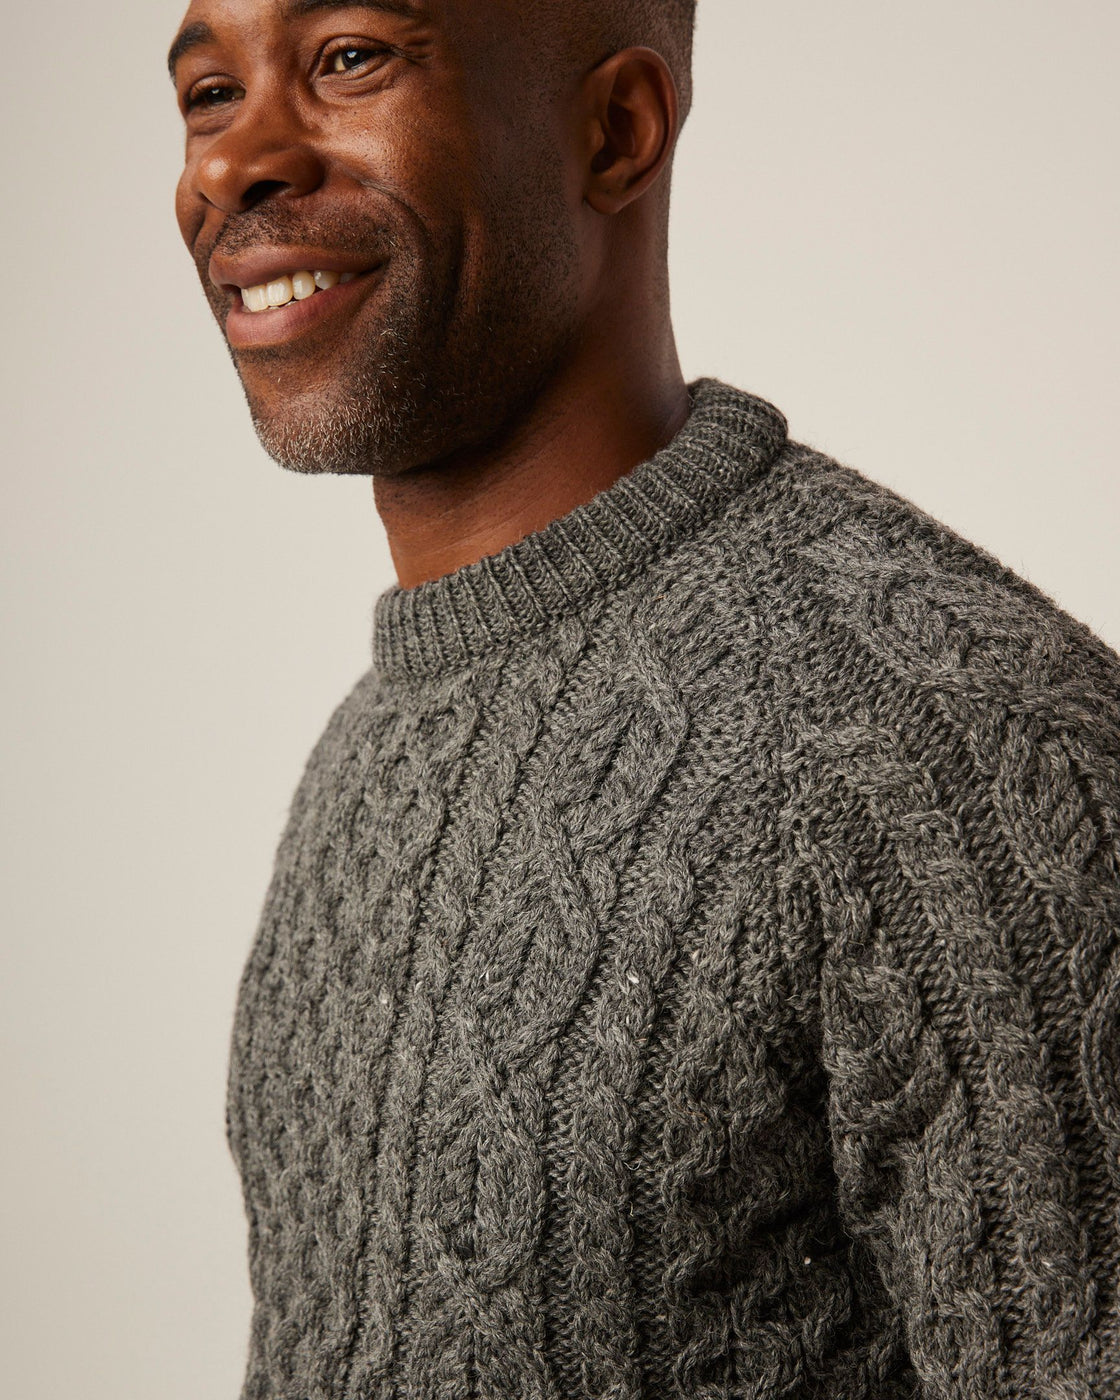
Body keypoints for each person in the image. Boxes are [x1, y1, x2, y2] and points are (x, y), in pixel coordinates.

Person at [169, 0, 1120, 1395]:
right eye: (206, 92)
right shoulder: (368, 750)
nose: (232, 161)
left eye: (350, 58)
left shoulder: (950, 740)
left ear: (617, 130)